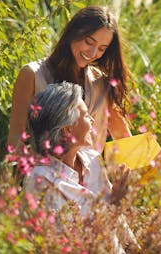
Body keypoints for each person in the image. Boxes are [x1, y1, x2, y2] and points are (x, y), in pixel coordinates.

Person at [25, 82, 136, 252]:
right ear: (68, 129)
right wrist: (116, 203)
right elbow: (73, 244)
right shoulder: (41, 180)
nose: (92, 120)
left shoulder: (92, 159)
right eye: (85, 116)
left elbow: (121, 226)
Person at [8, 5, 132, 152]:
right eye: (89, 42)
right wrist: (40, 171)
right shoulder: (33, 74)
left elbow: (125, 141)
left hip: (93, 174)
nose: (93, 53)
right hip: (50, 173)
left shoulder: (102, 83)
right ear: (74, 33)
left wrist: (156, 161)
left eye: (101, 49)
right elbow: (15, 138)